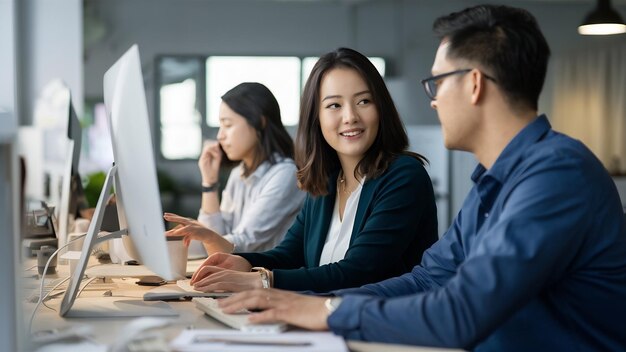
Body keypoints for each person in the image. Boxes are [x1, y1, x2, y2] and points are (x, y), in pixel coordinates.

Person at [216, 5, 626, 350]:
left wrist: (327, 309)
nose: (432, 101)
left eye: (437, 83)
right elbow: (430, 278)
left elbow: (461, 312)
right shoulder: (494, 181)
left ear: (474, 85)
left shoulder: (556, 175)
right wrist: (299, 303)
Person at [188, 47, 439, 293]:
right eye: (334, 105)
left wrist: (262, 280)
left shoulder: (403, 176)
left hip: (380, 327)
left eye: (364, 101)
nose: (350, 116)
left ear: (381, 108)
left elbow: (360, 271)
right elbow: (290, 254)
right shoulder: (327, 181)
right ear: (316, 117)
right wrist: (246, 262)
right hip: (321, 321)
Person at [165, 82, 305, 255]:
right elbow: (217, 239)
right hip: (235, 273)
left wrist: (200, 234)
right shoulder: (238, 174)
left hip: (267, 278)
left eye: (228, 125)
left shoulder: (285, 174)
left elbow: (239, 245)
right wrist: (209, 183)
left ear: (260, 123)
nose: (220, 135)